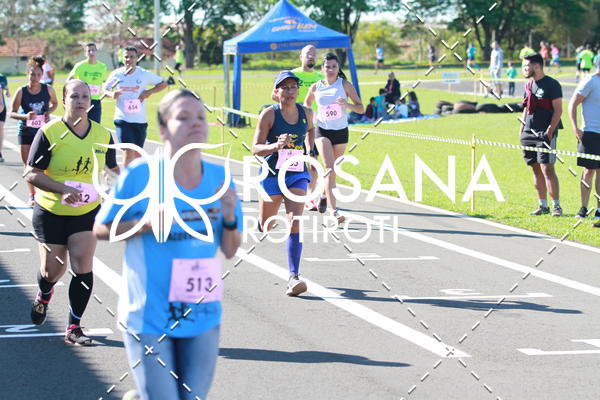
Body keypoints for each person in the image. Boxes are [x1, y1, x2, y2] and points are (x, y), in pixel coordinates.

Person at [94, 89, 242, 399]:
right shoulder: (140, 175)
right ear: (162, 129)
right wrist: (145, 223)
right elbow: (101, 229)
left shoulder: (219, 177)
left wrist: (229, 216)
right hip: (148, 317)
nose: (196, 123)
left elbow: (230, 249)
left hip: (202, 314)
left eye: (200, 116)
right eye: (183, 117)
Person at [25, 79, 119, 345]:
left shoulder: (103, 135)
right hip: (51, 211)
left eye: (85, 96)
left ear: (91, 101)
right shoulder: (50, 132)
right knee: (52, 271)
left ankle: (74, 326)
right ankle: (44, 293)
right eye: (75, 96)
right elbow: (31, 173)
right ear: (64, 99)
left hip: (86, 212)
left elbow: (112, 171)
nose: (80, 101)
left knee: (82, 265)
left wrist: (120, 189)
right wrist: (62, 189)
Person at [253, 71, 314, 296]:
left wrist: (311, 150)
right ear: (276, 91)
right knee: (267, 225)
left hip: (296, 173)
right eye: (285, 88)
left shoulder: (307, 113)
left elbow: (310, 130)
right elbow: (255, 148)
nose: (289, 92)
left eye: (293, 87)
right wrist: (275, 146)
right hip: (271, 173)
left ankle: (293, 277)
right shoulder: (269, 115)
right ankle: (262, 223)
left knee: (294, 221)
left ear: (298, 90)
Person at [305, 53, 364, 222]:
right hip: (322, 131)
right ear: (322, 69)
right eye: (327, 66)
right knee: (329, 169)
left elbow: (361, 108)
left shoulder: (345, 85)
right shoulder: (316, 87)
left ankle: (324, 195)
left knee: (333, 171)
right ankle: (334, 212)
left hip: (341, 132)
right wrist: (311, 116)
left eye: (334, 66)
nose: (330, 69)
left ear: (338, 69)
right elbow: (306, 104)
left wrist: (347, 104)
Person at [104, 46, 167, 167]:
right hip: (122, 119)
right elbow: (105, 89)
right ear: (123, 59)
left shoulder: (143, 74)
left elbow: (163, 84)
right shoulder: (117, 74)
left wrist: (148, 92)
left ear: (137, 58)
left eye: (132, 57)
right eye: (126, 57)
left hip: (140, 120)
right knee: (128, 150)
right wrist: (112, 94)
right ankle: (126, 178)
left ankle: (137, 176)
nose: (129, 59)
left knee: (138, 155)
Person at [10, 57, 58, 205]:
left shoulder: (48, 89)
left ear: (42, 75)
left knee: (44, 164)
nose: (35, 77)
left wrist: (48, 112)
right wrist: (25, 116)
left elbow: (55, 103)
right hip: (25, 131)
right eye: (32, 74)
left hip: (43, 131)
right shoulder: (21, 91)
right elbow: (12, 113)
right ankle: (32, 195)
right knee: (28, 164)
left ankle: (43, 193)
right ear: (27, 74)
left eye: (38, 75)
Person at [520, 53, 563, 216]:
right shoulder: (528, 85)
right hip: (528, 133)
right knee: (535, 169)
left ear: (536, 66)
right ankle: (543, 206)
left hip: (545, 134)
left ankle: (556, 206)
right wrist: (522, 130)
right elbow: (526, 109)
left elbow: (558, 110)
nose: (524, 69)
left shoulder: (552, 84)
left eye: (526, 66)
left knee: (547, 169)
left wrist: (549, 131)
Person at [294, 45, 323, 212]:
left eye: (314, 54)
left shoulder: (321, 77)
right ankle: (290, 192)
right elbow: (275, 95)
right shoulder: (292, 75)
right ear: (301, 57)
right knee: (294, 163)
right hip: (294, 125)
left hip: (315, 126)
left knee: (312, 161)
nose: (311, 56)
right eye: (307, 54)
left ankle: (310, 197)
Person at [568, 67, 600, 220]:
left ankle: (599, 210)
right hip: (590, 133)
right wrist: (575, 128)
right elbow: (573, 104)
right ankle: (584, 208)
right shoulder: (590, 81)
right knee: (588, 171)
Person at [67, 43, 108, 124]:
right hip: (82, 100)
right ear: (85, 53)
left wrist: (106, 90)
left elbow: (104, 82)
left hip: (95, 100)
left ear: (96, 52)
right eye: (89, 51)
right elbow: (69, 80)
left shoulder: (102, 67)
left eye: (93, 50)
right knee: (79, 124)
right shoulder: (80, 65)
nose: (91, 52)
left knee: (95, 125)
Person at [0, 72, 10, 163]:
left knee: (0, 129)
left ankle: (0, 152)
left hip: (1, 107)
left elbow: (7, 90)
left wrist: (7, 92)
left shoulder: (2, 77)